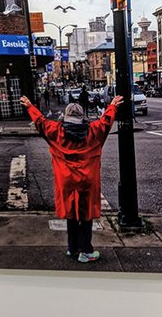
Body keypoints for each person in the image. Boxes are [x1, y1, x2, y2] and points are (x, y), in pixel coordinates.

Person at [20, 94, 123, 263]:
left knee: (71, 214)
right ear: (81, 118)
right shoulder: (93, 132)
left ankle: (72, 248)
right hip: (87, 181)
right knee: (86, 216)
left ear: (66, 117)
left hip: (66, 181)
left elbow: (41, 122)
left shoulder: (56, 132)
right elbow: (106, 122)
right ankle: (86, 251)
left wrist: (30, 105)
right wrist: (113, 105)